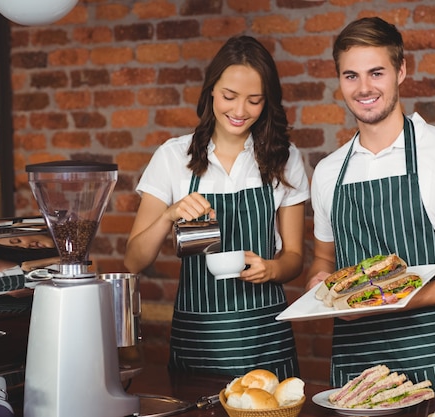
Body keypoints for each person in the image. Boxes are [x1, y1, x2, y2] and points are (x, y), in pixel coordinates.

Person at [306, 17, 435, 388]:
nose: (364, 88)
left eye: (376, 72)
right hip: (356, 366)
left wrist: (394, 300)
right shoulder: (329, 172)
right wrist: (320, 282)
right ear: (339, 81)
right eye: (351, 76)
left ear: (401, 71)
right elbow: (325, 260)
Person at [124, 36, 309, 379]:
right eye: (229, 97)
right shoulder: (172, 157)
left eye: (254, 101)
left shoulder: (285, 159)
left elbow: (295, 258)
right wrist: (169, 215)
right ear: (211, 90)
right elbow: (134, 260)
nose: (240, 112)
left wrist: (271, 269)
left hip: (265, 339)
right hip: (199, 341)